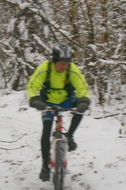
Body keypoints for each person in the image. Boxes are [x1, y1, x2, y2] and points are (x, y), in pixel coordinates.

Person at [27, 44, 90, 182]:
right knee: (46, 131)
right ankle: (45, 167)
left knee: (80, 109)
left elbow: (82, 86)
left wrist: (84, 100)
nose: (64, 66)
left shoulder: (72, 70)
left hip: (66, 100)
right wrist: (34, 99)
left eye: (67, 63)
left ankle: (69, 136)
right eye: (61, 63)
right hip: (47, 101)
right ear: (54, 61)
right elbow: (33, 85)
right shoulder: (45, 68)